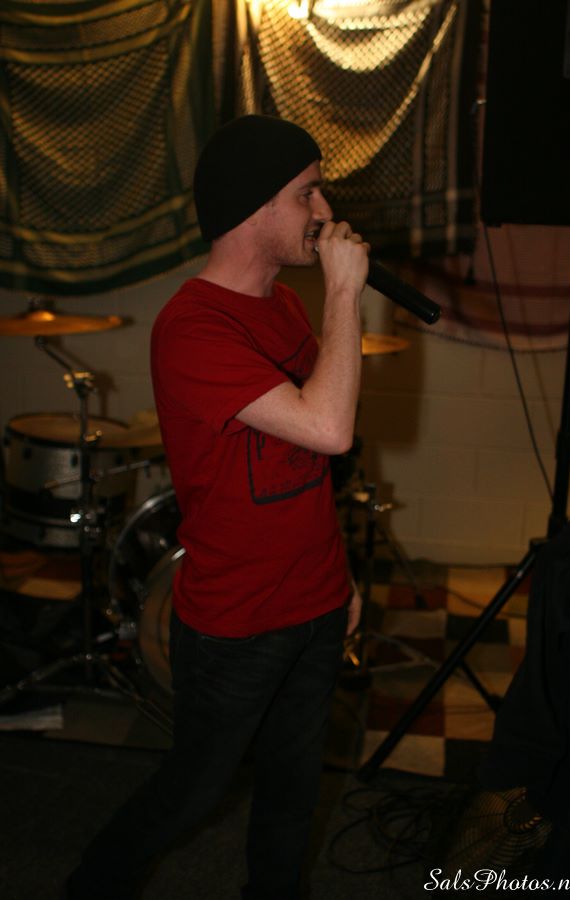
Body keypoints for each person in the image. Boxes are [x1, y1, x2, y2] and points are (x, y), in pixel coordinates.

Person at [66, 114, 369, 900]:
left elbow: (312, 466)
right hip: (237, 622)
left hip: (314, 601)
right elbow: (329, 427)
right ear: (254, 206)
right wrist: (345, 292)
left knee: (293, 793)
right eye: (307, 193)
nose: (325, 211)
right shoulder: (192, 327)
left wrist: (342, 577)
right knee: (192, 792)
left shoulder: (286, 307)